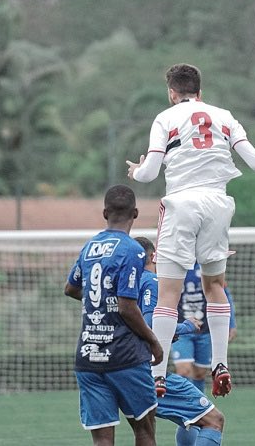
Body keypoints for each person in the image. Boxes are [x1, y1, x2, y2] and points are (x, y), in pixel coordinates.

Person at [126, 63, 255, 397]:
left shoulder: (165, 119)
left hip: (182, 204)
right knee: (215, 285)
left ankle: (158, 373)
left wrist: (135, 171)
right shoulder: (224, 115)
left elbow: (149, 173)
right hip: (218, 204)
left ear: (171, 93)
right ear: (200, 92)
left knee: (168, 293)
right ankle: (221, 364)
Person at [64, 185, 164, 446]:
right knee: (144, 429)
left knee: (102, 439)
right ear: (136, 213)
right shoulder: (133, 250)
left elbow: (71, 288)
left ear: (105, 212)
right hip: (125, 355)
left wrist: (99, 304)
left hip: (88, 355)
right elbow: (126, 307)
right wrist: (153, 341)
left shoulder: (89, 247)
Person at [135, 237, 225, 446]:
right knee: (213, 420)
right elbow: (151, 328)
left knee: (150, 431)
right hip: (146, 372)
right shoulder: (151, 281)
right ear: (152, 256)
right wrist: (186, 327)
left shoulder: (123, 284)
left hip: (118, 372)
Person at [172, 266, 237, 393]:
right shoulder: (177, 264)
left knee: (200, 373)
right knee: (184, 370)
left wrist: (231, 323)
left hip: (206, 329)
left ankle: (200, 405)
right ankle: (187, 405)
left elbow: (223, 293)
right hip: (182, 329)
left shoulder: (206, 265)